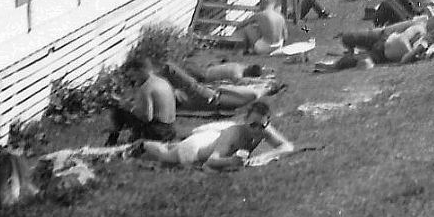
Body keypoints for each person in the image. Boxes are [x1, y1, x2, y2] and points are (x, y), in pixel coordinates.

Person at [138, 101, 295, 170]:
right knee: (165, 156)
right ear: (245, 120)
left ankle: (157, 145)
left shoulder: (263, 128)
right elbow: (211, 162)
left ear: (267, 123)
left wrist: (267, 155)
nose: (257, 130)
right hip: (195, 148)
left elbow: (288, 146)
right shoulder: (233, 134)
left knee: (172, 148)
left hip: (210, 137)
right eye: (253, 125)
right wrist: (231, 162)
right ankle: (142, 145)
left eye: (262, 126)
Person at [106, 57, 177, 145]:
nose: (133, 79)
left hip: (157, 131)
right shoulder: (161, 81)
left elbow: (147, 117)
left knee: (119, 111)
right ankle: (132, 136)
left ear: (141, 71)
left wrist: (127, 106)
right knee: (123, 109)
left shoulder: (146, 88)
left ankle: (112, 141)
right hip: (170, 128)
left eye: (133, 76)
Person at [160, 62, 283, 112]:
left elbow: (226, 89)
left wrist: (219, 85)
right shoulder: (255, 92)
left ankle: (157, 68)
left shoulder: (254, 94)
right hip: (211, 100)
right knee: (176, 96)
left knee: (173, 71)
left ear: (269, 87)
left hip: (211, 97)